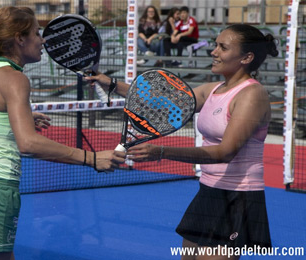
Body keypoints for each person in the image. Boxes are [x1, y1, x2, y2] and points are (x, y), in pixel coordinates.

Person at [0, 6, 125, 260]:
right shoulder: (14, 79)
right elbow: (27, 143)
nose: (43, 41)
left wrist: (22, 118)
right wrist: (91, 158)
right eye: (37, 33)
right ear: (19, 39)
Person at [86, 24, 278, 259]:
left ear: (246, 57)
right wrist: (112, 84)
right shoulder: (214, 89)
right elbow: (160, 102)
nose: (214, 52)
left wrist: (162, 151)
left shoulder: (252, 95)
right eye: (215, 45)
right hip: (209, 190)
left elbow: (225, 152)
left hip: (237, 196)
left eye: (223, 47)